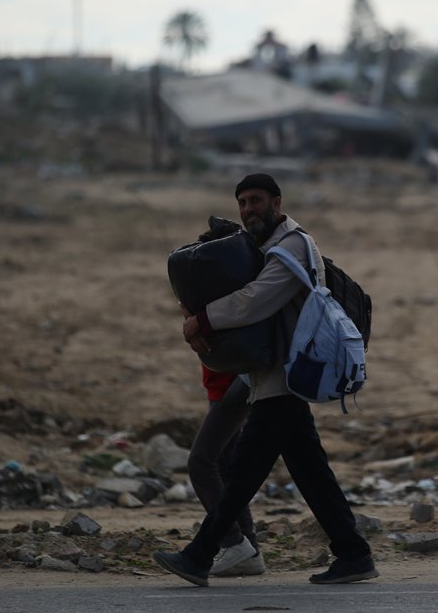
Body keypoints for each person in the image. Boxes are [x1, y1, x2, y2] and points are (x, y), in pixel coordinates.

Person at [155, 173, 377, 587]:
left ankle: (198, 556)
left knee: (241, 473)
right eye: (241, 202)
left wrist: (203, 319)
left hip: (285, 378)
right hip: (275, 378)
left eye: (255, 200)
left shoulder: (293, 246)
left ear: (277, 202)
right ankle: (354, 553)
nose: (247, 210)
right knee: (312, 473)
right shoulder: (266, 247)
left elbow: (257, 300)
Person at [187, 365, 263, 577]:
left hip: (235, 383)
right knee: (224, 464)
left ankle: (234, 541)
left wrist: (198, 329)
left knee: (201, 462)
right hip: (224, 382)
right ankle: (249, 551)